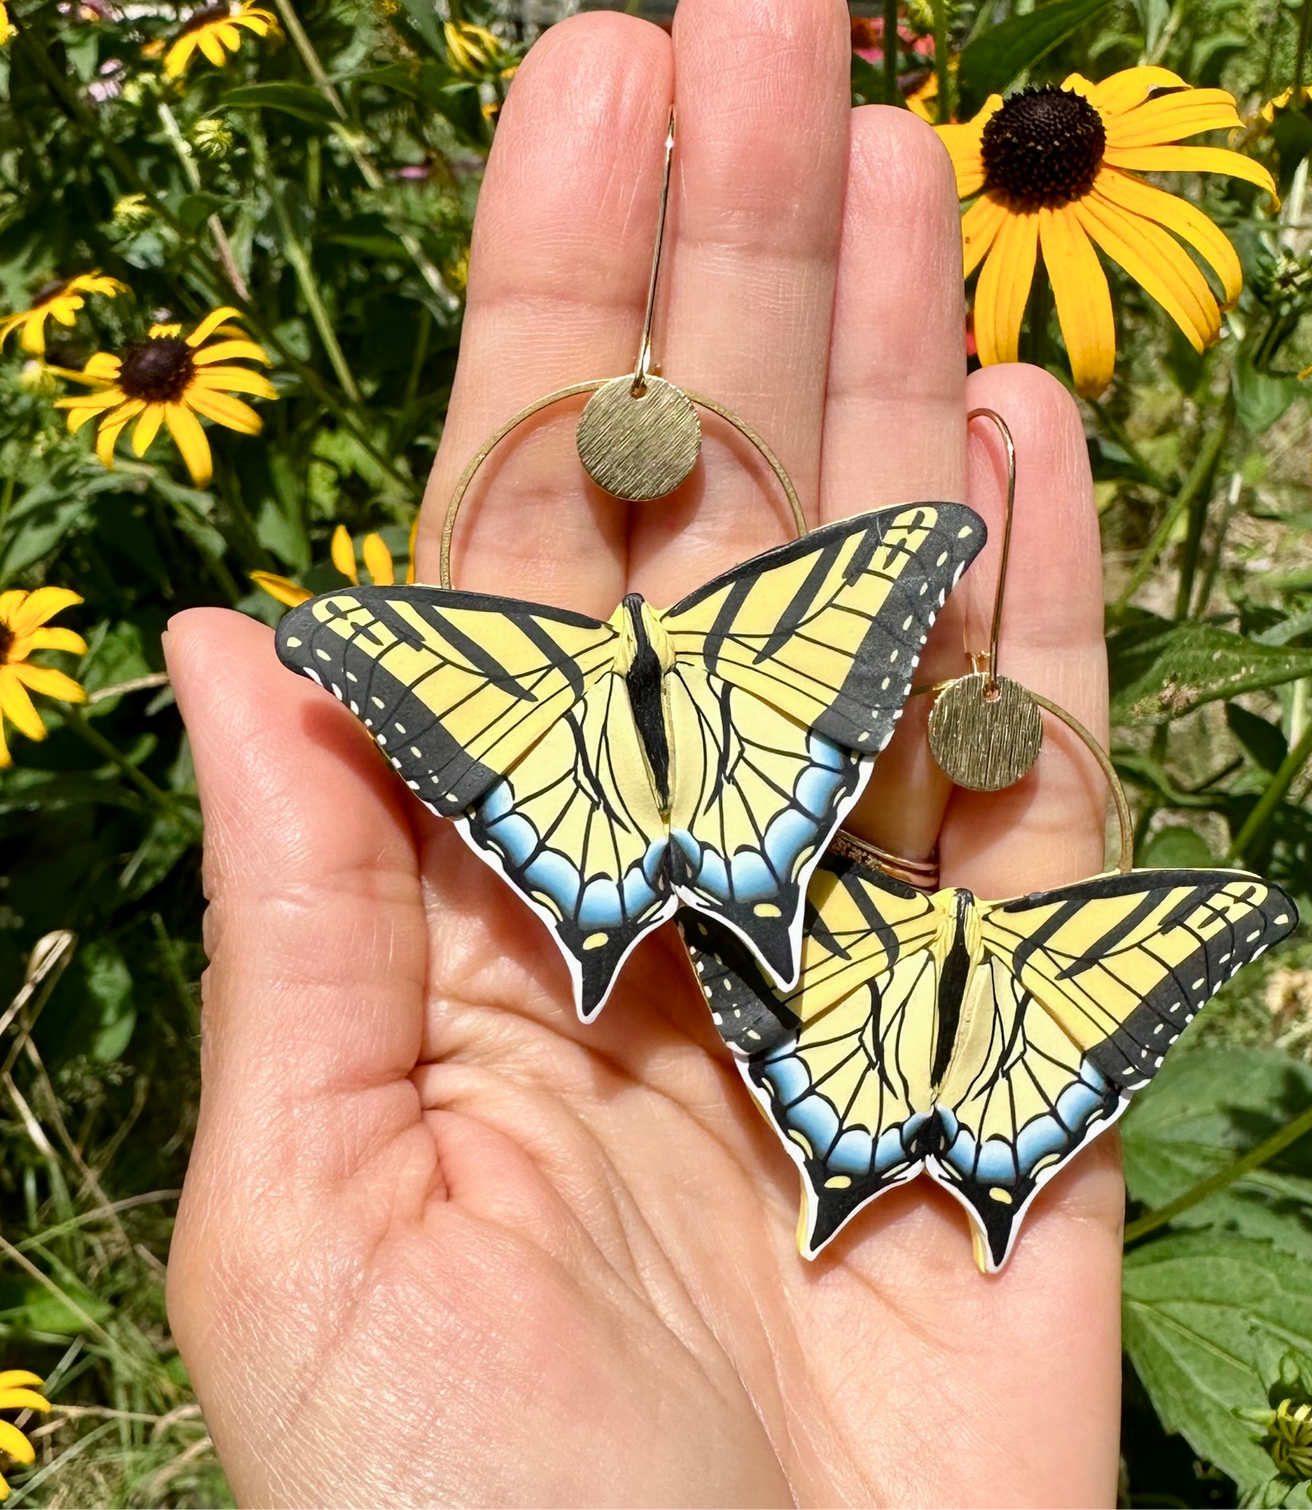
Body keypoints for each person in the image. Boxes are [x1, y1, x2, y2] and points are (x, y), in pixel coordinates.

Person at [163, 1, 1115, 1502]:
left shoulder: (502, 656)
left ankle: (646, 922)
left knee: (680, 864)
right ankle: (711, 902)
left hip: (568, 785)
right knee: (773, 860)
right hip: (755, 770)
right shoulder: (790, 619)